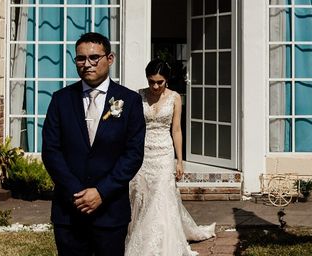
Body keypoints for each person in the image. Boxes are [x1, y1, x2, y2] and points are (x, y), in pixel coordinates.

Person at [42, 32, 146, 256]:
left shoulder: (130, 101)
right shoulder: (60, 99)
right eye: (80, 59)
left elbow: (133, 154)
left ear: (110, 58)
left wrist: (101, 192)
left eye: (94, 57)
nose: (87, 64)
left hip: (110, 210)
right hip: (69, 211)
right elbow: (51, 151)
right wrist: (77, 193)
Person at [125, 59, 216, 256]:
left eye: (160, 82)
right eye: (151, 82)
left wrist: (180, 161)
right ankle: (139, 236)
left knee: (162, 196)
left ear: (167, 80)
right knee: (141, 194)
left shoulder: (175, 97)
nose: (155, 86)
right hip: (143, 152)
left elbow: (176, 130)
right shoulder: (138, 96)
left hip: (165, 152)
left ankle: (161, 244)